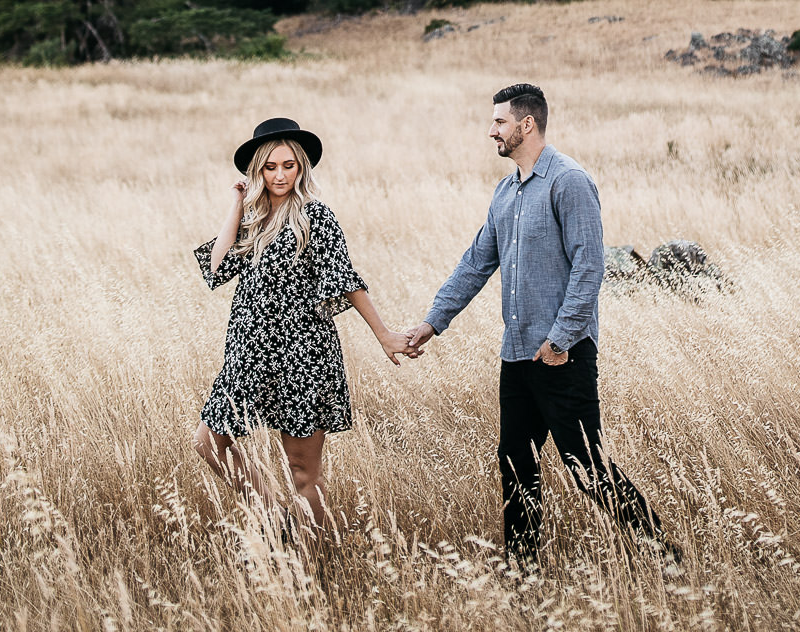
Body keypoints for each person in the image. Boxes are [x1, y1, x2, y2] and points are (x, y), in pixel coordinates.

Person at [404, 84, 675, 567]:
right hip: (517, 354)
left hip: (562, 353)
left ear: (526, 124)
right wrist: (432, 322)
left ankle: (664, 554)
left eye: (499, 122)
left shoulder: (568, 181)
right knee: (515, 464)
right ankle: (524, 570)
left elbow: (590, 266)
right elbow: (476, 263)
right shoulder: (506, 191)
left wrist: (560, 339)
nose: (492, 131)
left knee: (586, 466)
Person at [193, 114, 414, 534]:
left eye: (288, 165)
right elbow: (215, 269)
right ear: (258, 170)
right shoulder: (252, 220)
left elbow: (345, 279)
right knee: (208, 441)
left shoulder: (317, 217)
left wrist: (384, 334)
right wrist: (237, 203)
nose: (279, 175)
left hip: (303, 356)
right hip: (248, 355)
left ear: (302, 168)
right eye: (270, 167)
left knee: (302, 473)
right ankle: (277, 522)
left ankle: (309, 563)